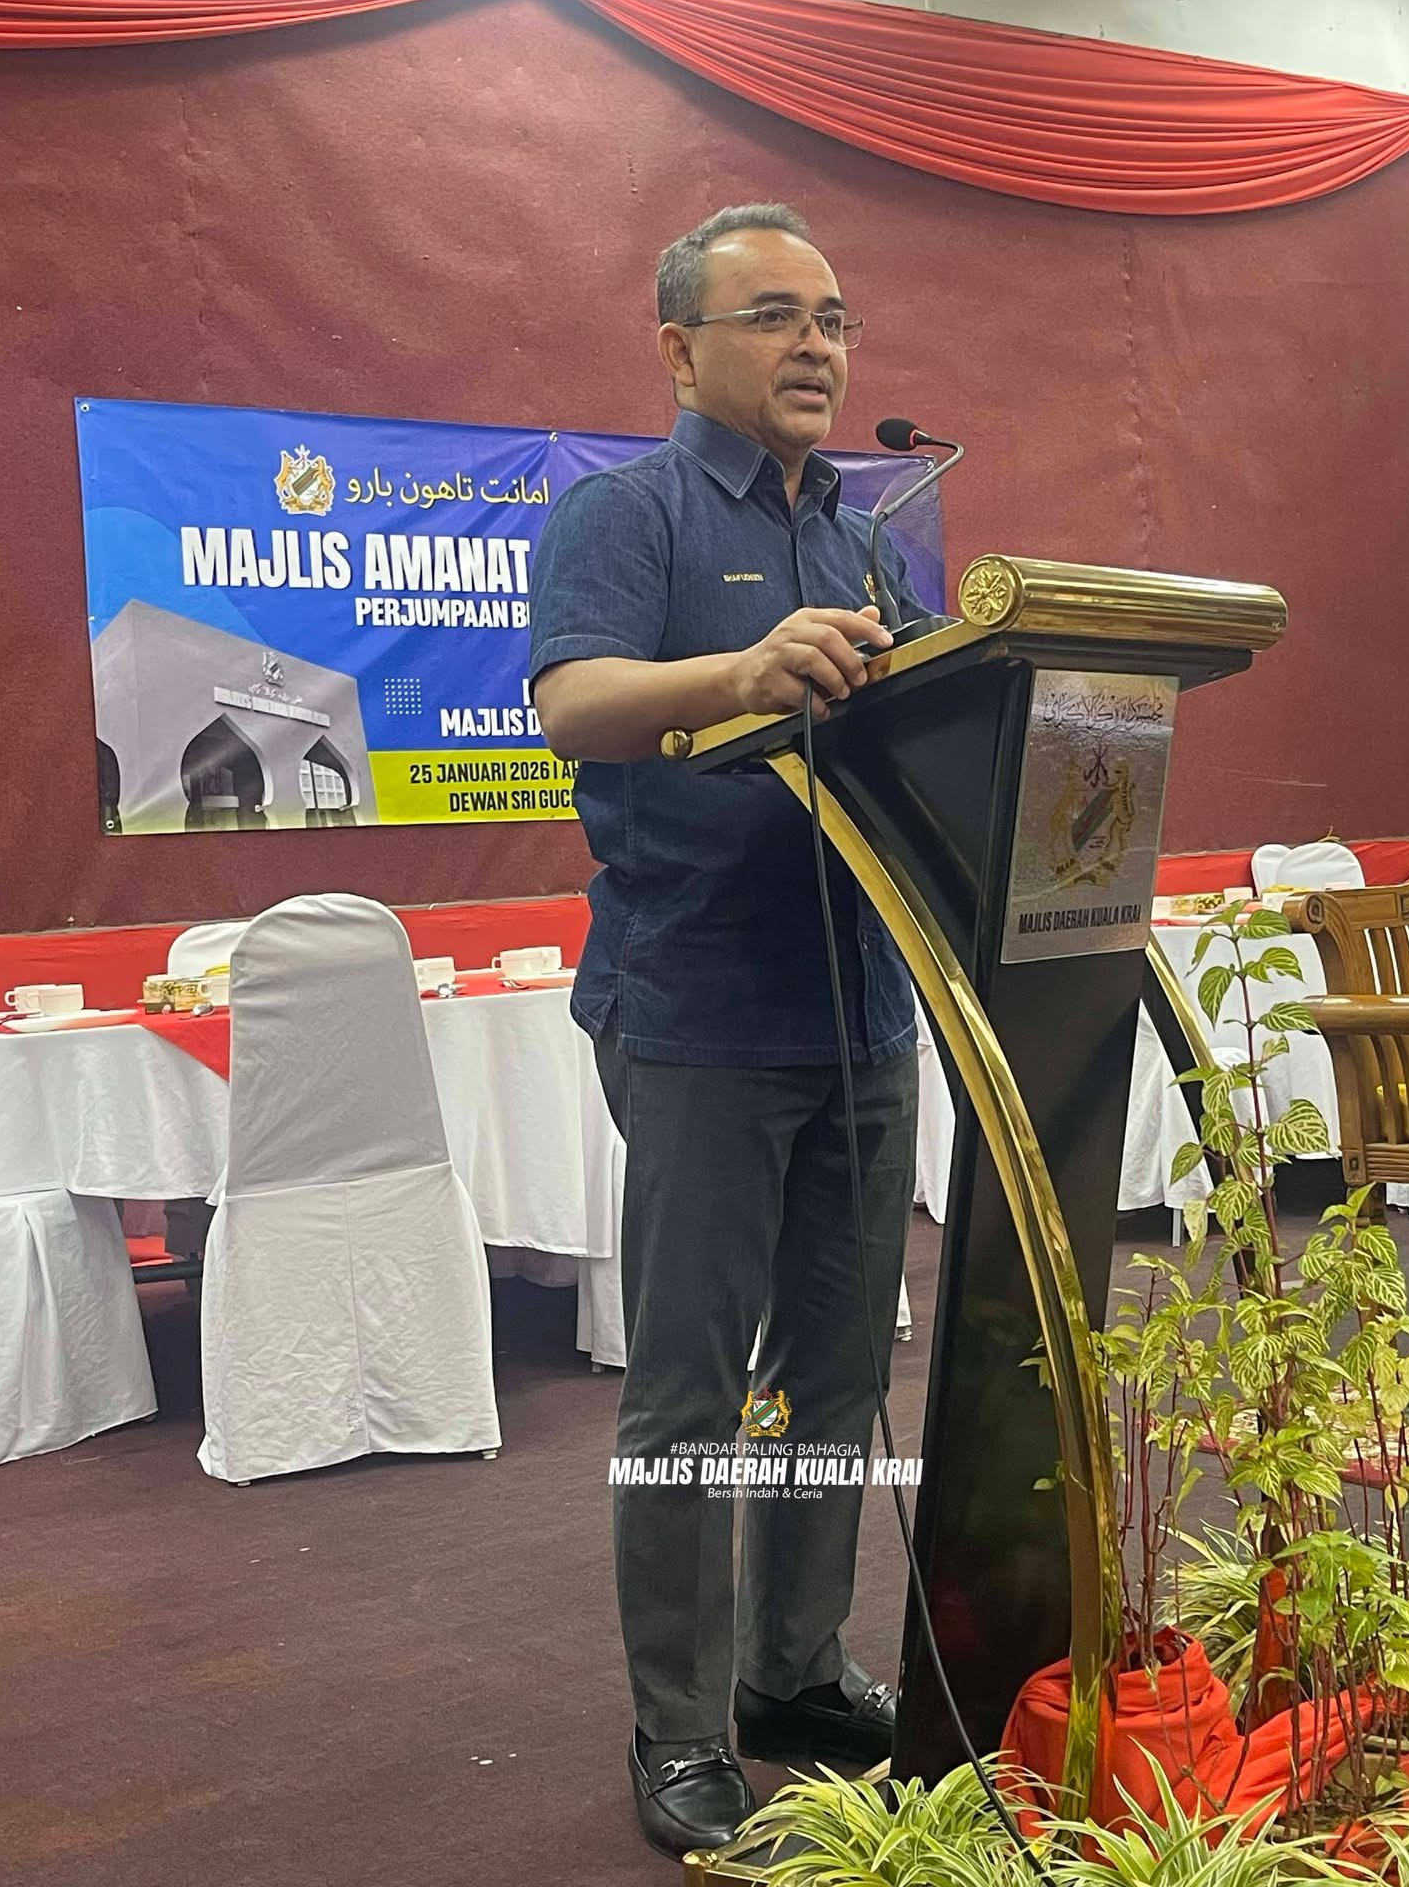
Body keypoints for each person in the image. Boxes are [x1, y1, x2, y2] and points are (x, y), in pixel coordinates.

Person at [529, 203, 927, 1862]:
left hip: (867, 1011)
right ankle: (681, 1725)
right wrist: (743, 670)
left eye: (833, 317)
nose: (816, 345)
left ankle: (792, 1675)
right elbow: (573, 703)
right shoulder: (626, 515)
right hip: (699, 1012)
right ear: (681, 350)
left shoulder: (870, 541)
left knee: (835, 1373)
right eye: (775, 316)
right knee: (693, 1396)